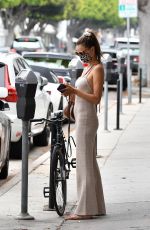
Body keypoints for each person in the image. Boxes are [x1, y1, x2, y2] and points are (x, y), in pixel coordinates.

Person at [62, 30, 106, 220]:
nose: (81, 57)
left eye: (83, 53)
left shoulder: (97, 69)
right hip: (80, 117)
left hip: (88, 120)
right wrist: (70, 96)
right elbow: (81, 92)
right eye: (78, 54)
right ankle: (96, 206)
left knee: (84, 164)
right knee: (89, 163)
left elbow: (96, 99)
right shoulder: (87, 68)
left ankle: (85, 210)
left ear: (93, 49)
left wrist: (75, 91)